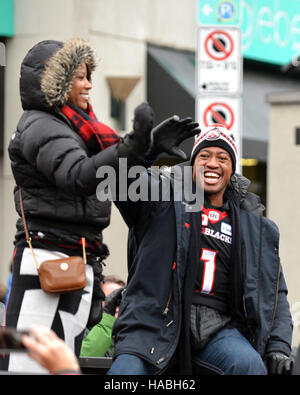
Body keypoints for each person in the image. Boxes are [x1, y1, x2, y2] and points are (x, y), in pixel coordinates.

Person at [2, 38, 199, 373]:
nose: (89, 84)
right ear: (56, 81)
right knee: (29, 367)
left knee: (62, 364)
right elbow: (78, 175)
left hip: (74, 261)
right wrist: (133, 150)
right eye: (79, 76)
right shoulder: (40, 124)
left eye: (88, 76)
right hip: (47, 264)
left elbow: (106, 176)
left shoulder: (78, 129)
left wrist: (147, 150)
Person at [106, 123, 294, 375]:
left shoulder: (256, 226)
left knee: (248, 365)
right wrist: (147, 150)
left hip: (219, 328)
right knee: (124, 375)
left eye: (223, 158)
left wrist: (279, 345)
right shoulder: (162, 198)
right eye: (204, 156)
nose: (213, 164)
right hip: (153, 323)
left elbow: (274, 292)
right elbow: (119, 181)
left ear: (232, 168)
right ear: (192, 164)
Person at [80, 275, 125, 357]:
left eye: (119, 302)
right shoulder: (81, 331)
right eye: (109, 300)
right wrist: (108, 316)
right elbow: (84, 358)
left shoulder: (127, 336)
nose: (116, 307)